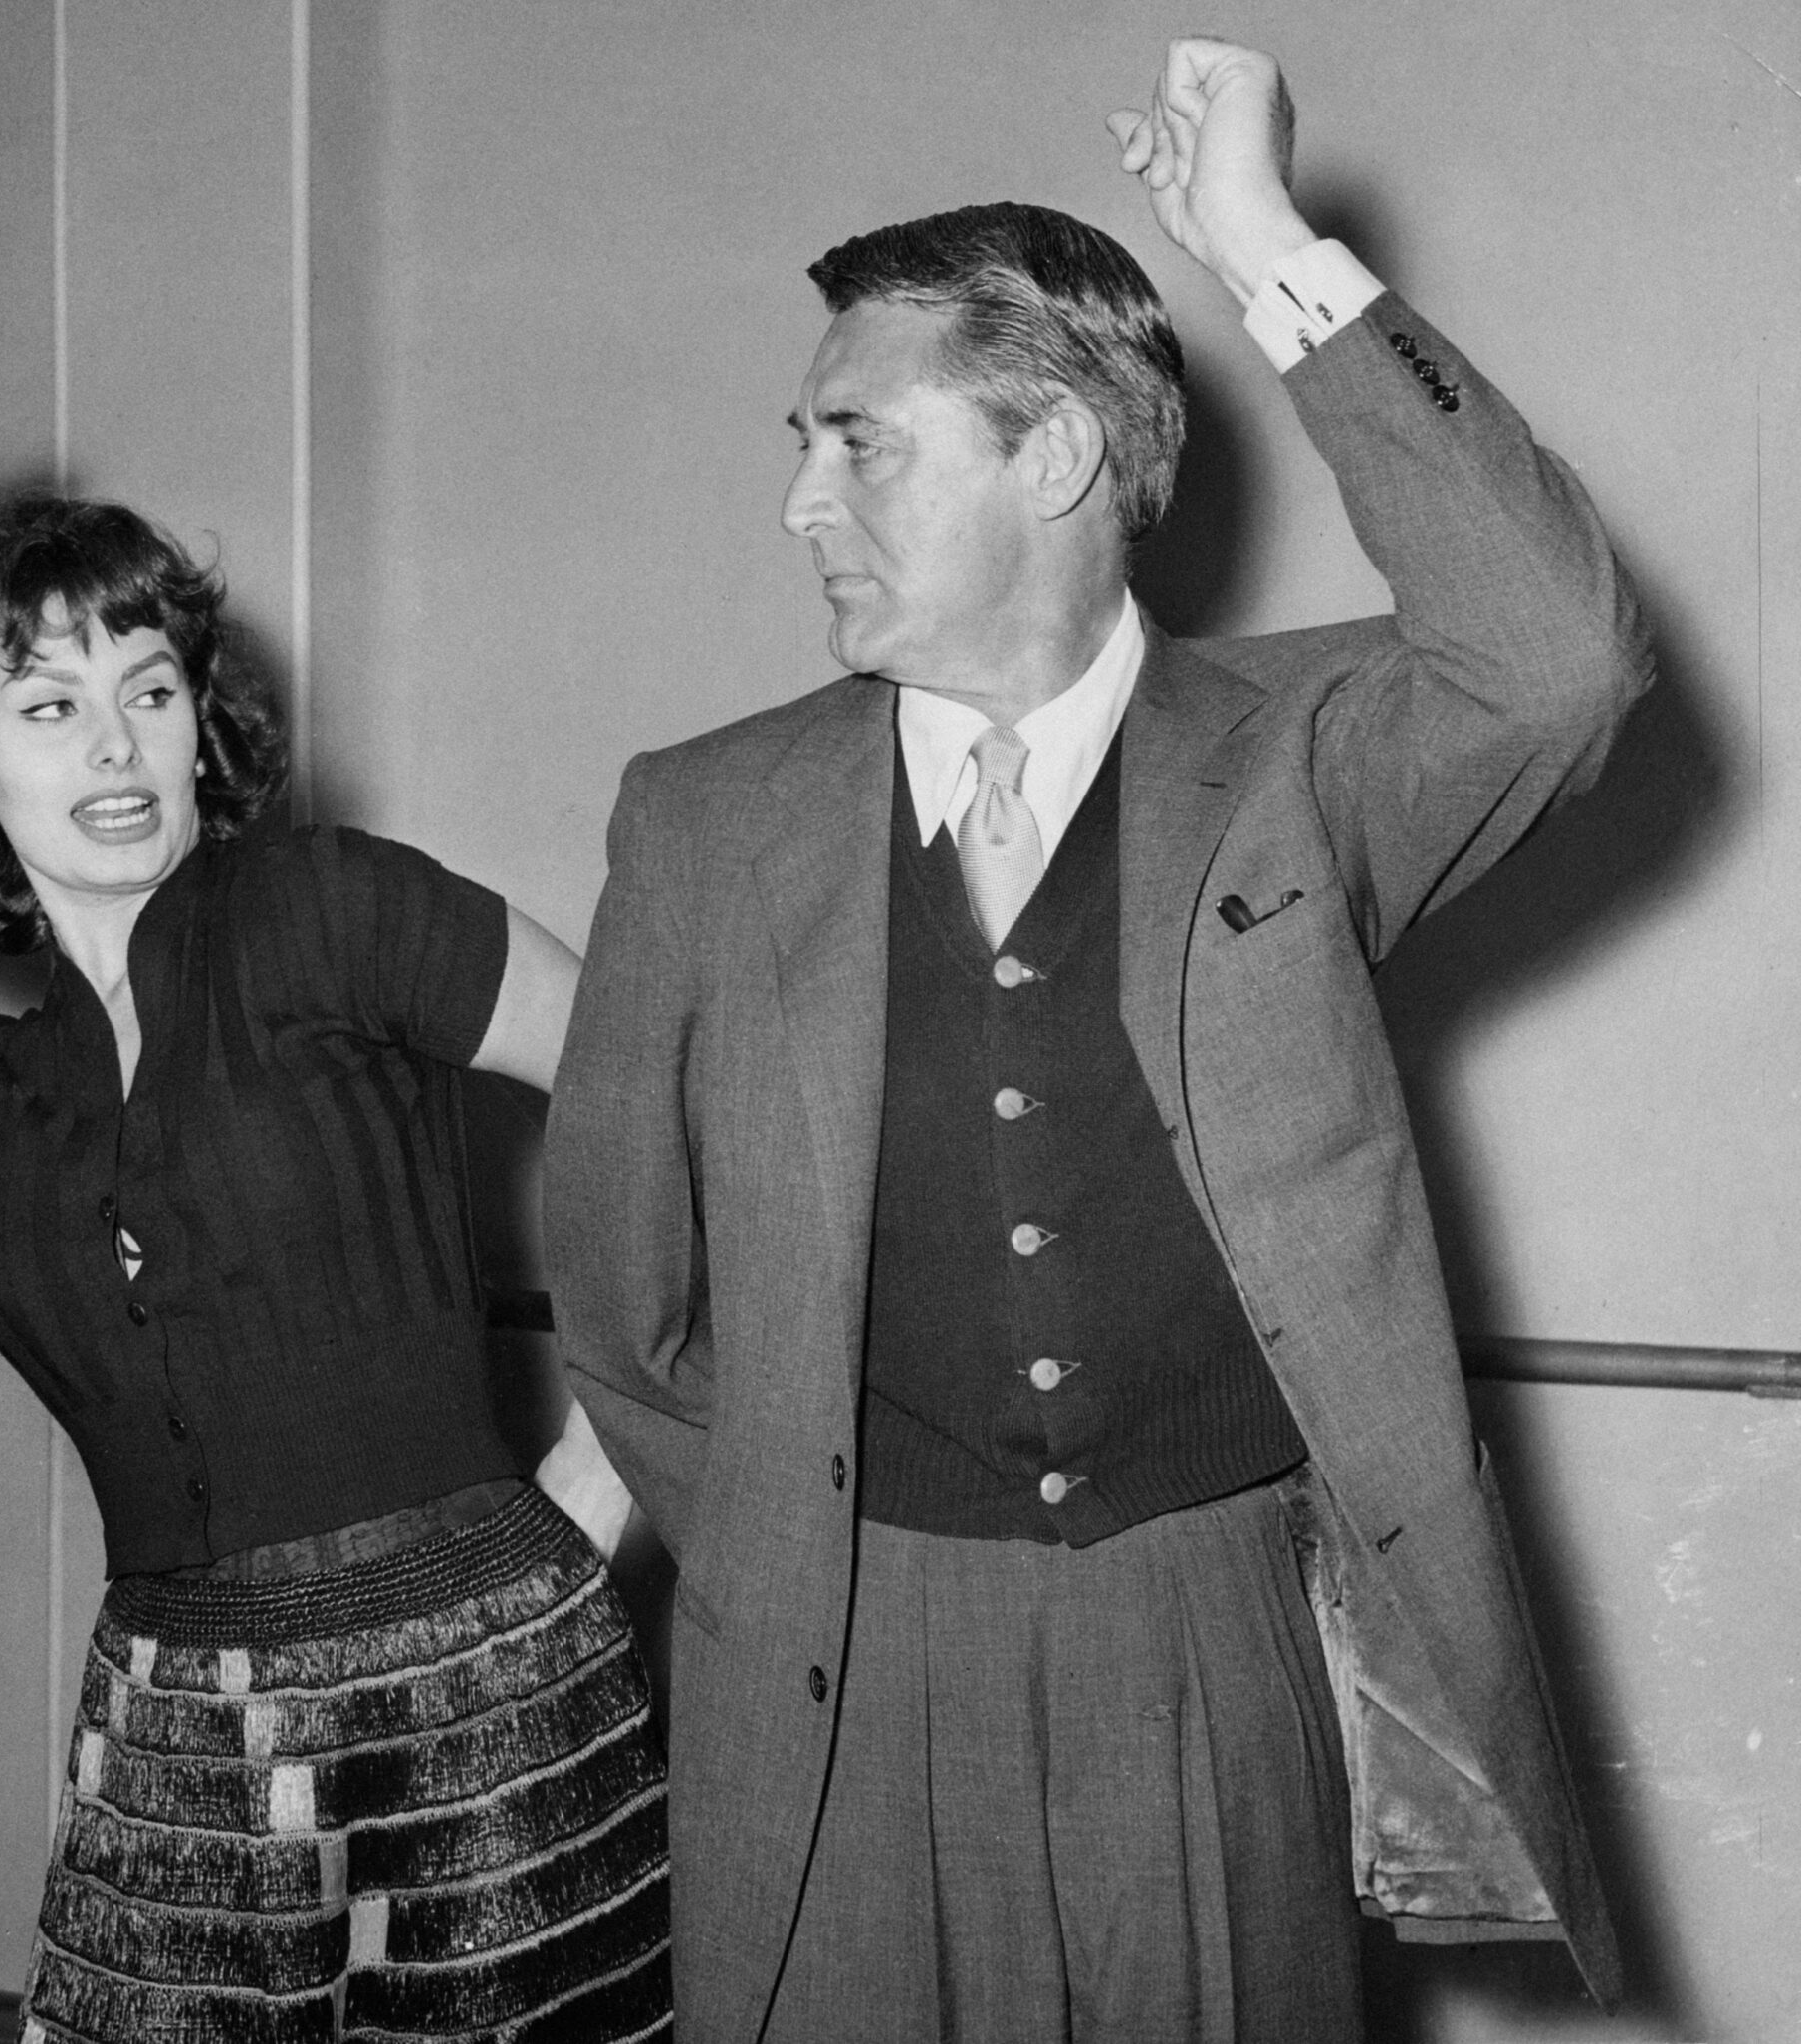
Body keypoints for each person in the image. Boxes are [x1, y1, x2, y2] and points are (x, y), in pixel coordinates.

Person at [546, 36, 1648, 2042]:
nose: (798, 499)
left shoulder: (1290, 766)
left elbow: (1557, 658)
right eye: (798, 440)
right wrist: (810, 1549)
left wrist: (1258, 243)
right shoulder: (700, 819)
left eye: (855, 441)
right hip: (837, 1655)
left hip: (1206, 1644)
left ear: (1050, 452)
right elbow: (623, 1302)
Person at [0, 376, 669, 2041]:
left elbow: (678, 1108)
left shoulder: (333, 911)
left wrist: (596, 1488)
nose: (116, 741)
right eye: (49, 703)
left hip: (493, 1708)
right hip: (165, 1743)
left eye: (149, 688)